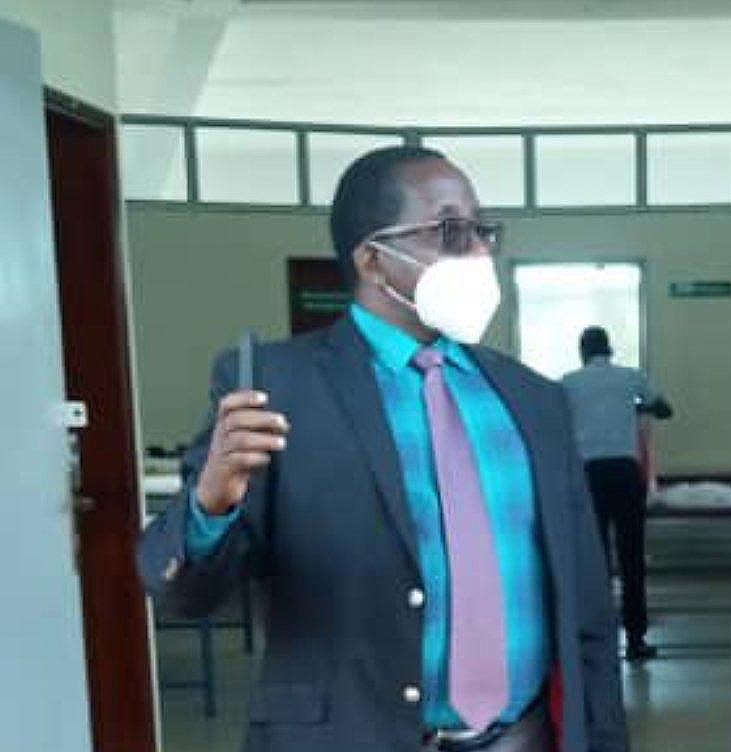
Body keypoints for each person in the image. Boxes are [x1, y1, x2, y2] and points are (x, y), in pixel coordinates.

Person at [137, 146, 627, 752]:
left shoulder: (533, 399)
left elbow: (585, 608)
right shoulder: (276, 386)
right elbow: (184, 592)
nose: (478, 252)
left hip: (522, 737)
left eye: (481, 231)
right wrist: (210, 505)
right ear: (372, 259)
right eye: (451, 231)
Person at [560, 326, 672, 663]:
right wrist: (636, 406)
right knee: (631, 557)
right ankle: (636, 639)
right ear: (609, 350)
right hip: (625, 473)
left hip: (588, 476)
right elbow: (665, 409)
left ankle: (593, 638)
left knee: (592, 559)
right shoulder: (631, 377)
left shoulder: (568, 383)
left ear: (583, 352)